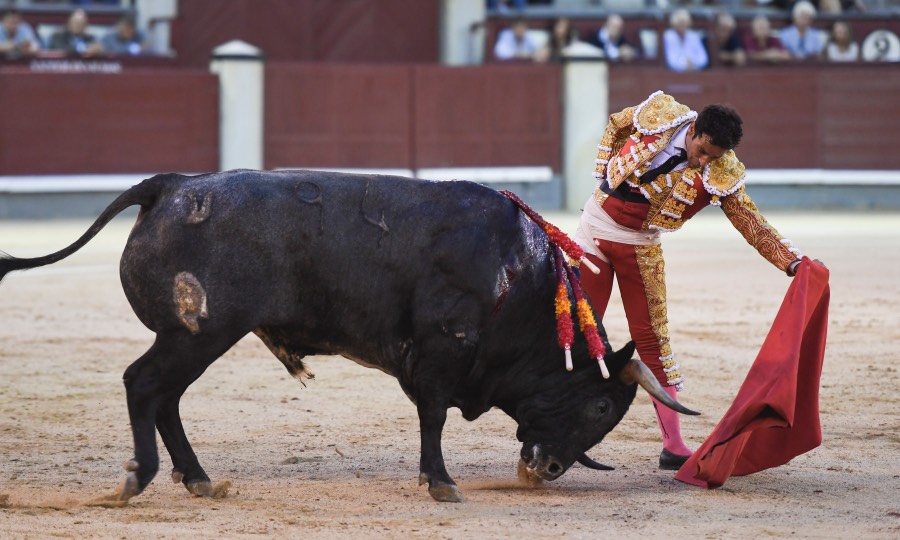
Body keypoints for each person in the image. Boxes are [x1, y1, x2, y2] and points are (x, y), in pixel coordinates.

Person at [574, 91, 813, 471]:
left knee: (652, 341)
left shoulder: (722, 172)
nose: (702, 162)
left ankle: (673, 444)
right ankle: (558, 427)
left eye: (712, 158)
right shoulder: (660, 114)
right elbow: (619, 122)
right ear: (693, 129)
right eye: (701, 150)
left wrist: (790, 262)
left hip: (639, 245)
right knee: (578, 328)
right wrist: (603, 170)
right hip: (593, 229)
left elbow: (749, 221)